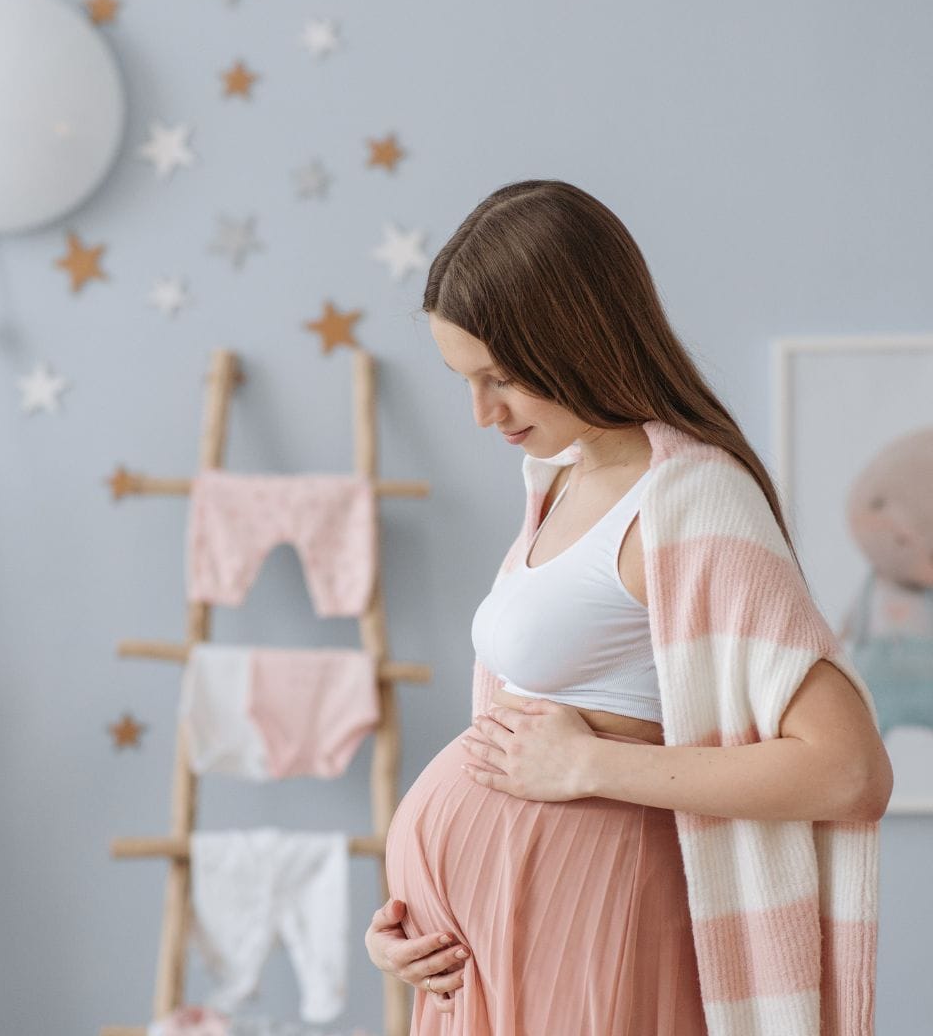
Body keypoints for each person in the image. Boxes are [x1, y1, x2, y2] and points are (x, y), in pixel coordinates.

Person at [364, 179, 892, 1034]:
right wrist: (412, 922)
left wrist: (593, 769)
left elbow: (851, 770)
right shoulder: (561, 480)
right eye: (465, 379)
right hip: (496, 953)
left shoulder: (692, 501)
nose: (481, 413)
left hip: (595, 932)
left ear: (578, 340)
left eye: (502, 378)